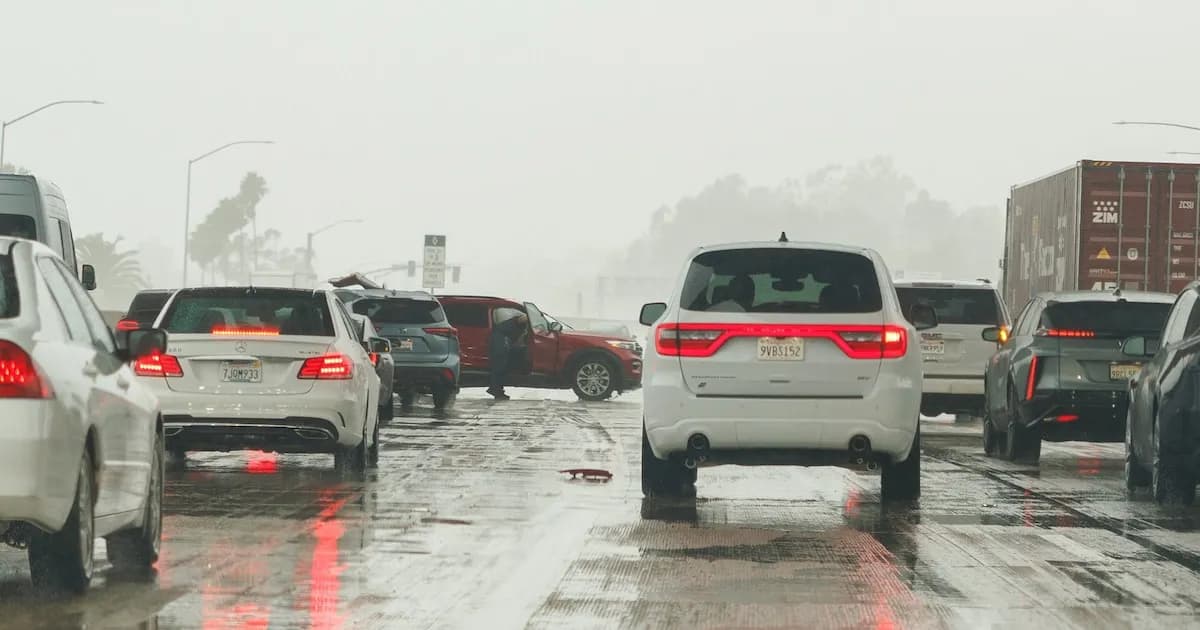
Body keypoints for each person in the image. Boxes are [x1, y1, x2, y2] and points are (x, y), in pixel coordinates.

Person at [488, 313, 528, 400]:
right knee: (499, 367)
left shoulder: (512, 325)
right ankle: (495, 389)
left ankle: (497, 390)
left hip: (503, 343)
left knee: (501, 367)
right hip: (500, 344)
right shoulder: (511, 326)